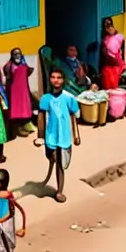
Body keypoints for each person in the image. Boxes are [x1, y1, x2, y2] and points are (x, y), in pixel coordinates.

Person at [35, 68, 81, 204]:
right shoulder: (45, 99)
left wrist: (76, 135)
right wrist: (40, 137)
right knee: (52, 158)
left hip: (64, 137)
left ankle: (59, 191)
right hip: (50, 137)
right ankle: (48, 178)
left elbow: (74, 116)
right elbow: (41, 119)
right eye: (53, 77)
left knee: (61, 164)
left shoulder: (69, 98)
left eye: (59, 77)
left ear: (63, 80)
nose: (56, 80)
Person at [3, 48, 35, 140]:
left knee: (25, 107)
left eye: (19, 53)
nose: (17, 55)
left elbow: (29, 72)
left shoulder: (24, 64)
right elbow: (6, 73)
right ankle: (16, 129)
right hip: (14, 91)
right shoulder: (9, 65)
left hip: (23, 89)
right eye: (15, 53)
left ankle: (25, 126)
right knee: (15, 109)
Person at [99, 18, 126, 90]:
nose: (109, 26)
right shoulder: (104, 38)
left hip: (115, 62)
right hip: (107, 63)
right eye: (106, 24)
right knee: (107, 84)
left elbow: (122, 49)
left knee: (114, 84)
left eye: (110, 24)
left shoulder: (118, 37)